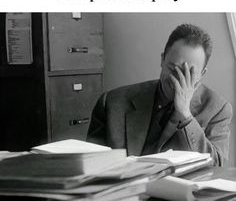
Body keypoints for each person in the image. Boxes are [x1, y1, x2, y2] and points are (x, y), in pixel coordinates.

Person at [87, 24, 232, 166]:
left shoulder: (218, 109)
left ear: (202, 74)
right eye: (173, 68)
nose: (177, 79)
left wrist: (185, 115)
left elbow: (216, 165)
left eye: (189, 73)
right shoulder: (112, 102)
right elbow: (90, 164)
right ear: (162, 60)